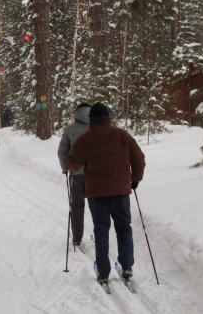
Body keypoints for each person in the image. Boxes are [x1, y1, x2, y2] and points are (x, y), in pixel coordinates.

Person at [65, 102, 145, 286]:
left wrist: (69, 157)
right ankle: (126, 266)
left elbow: (73, 164)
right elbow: (139, 158)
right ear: (108, 118)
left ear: (92, 119)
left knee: (101, 230)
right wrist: (135, 180)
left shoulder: (85, 139)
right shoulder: (122, 135)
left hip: (97, 194)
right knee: (124, 227)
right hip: (121, 192)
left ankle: (103, 272)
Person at [57, 102, 91, 248]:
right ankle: (101, 235)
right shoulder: (97, 127)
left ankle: (77, 237)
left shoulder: (70, 129)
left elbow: (61, 152)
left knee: (77, 205)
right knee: (96, 205)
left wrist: (65, 168)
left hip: (77, 173)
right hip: (95, 175)